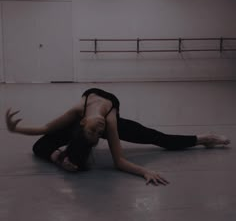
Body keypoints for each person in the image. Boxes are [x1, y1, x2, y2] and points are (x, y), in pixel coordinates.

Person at [5, 88, 230, 186]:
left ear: (84, 124)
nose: (100, 129)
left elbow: (44, 126)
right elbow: (119, 161)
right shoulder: (100, 121)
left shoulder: (87, 114)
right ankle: (61, 158)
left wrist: (15, 128)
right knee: (40, 146)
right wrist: (145, 172)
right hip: (84, 127)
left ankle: (204, 138)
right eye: (98, 134)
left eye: (96, 131)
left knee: (155, 136)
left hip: (85, 126)